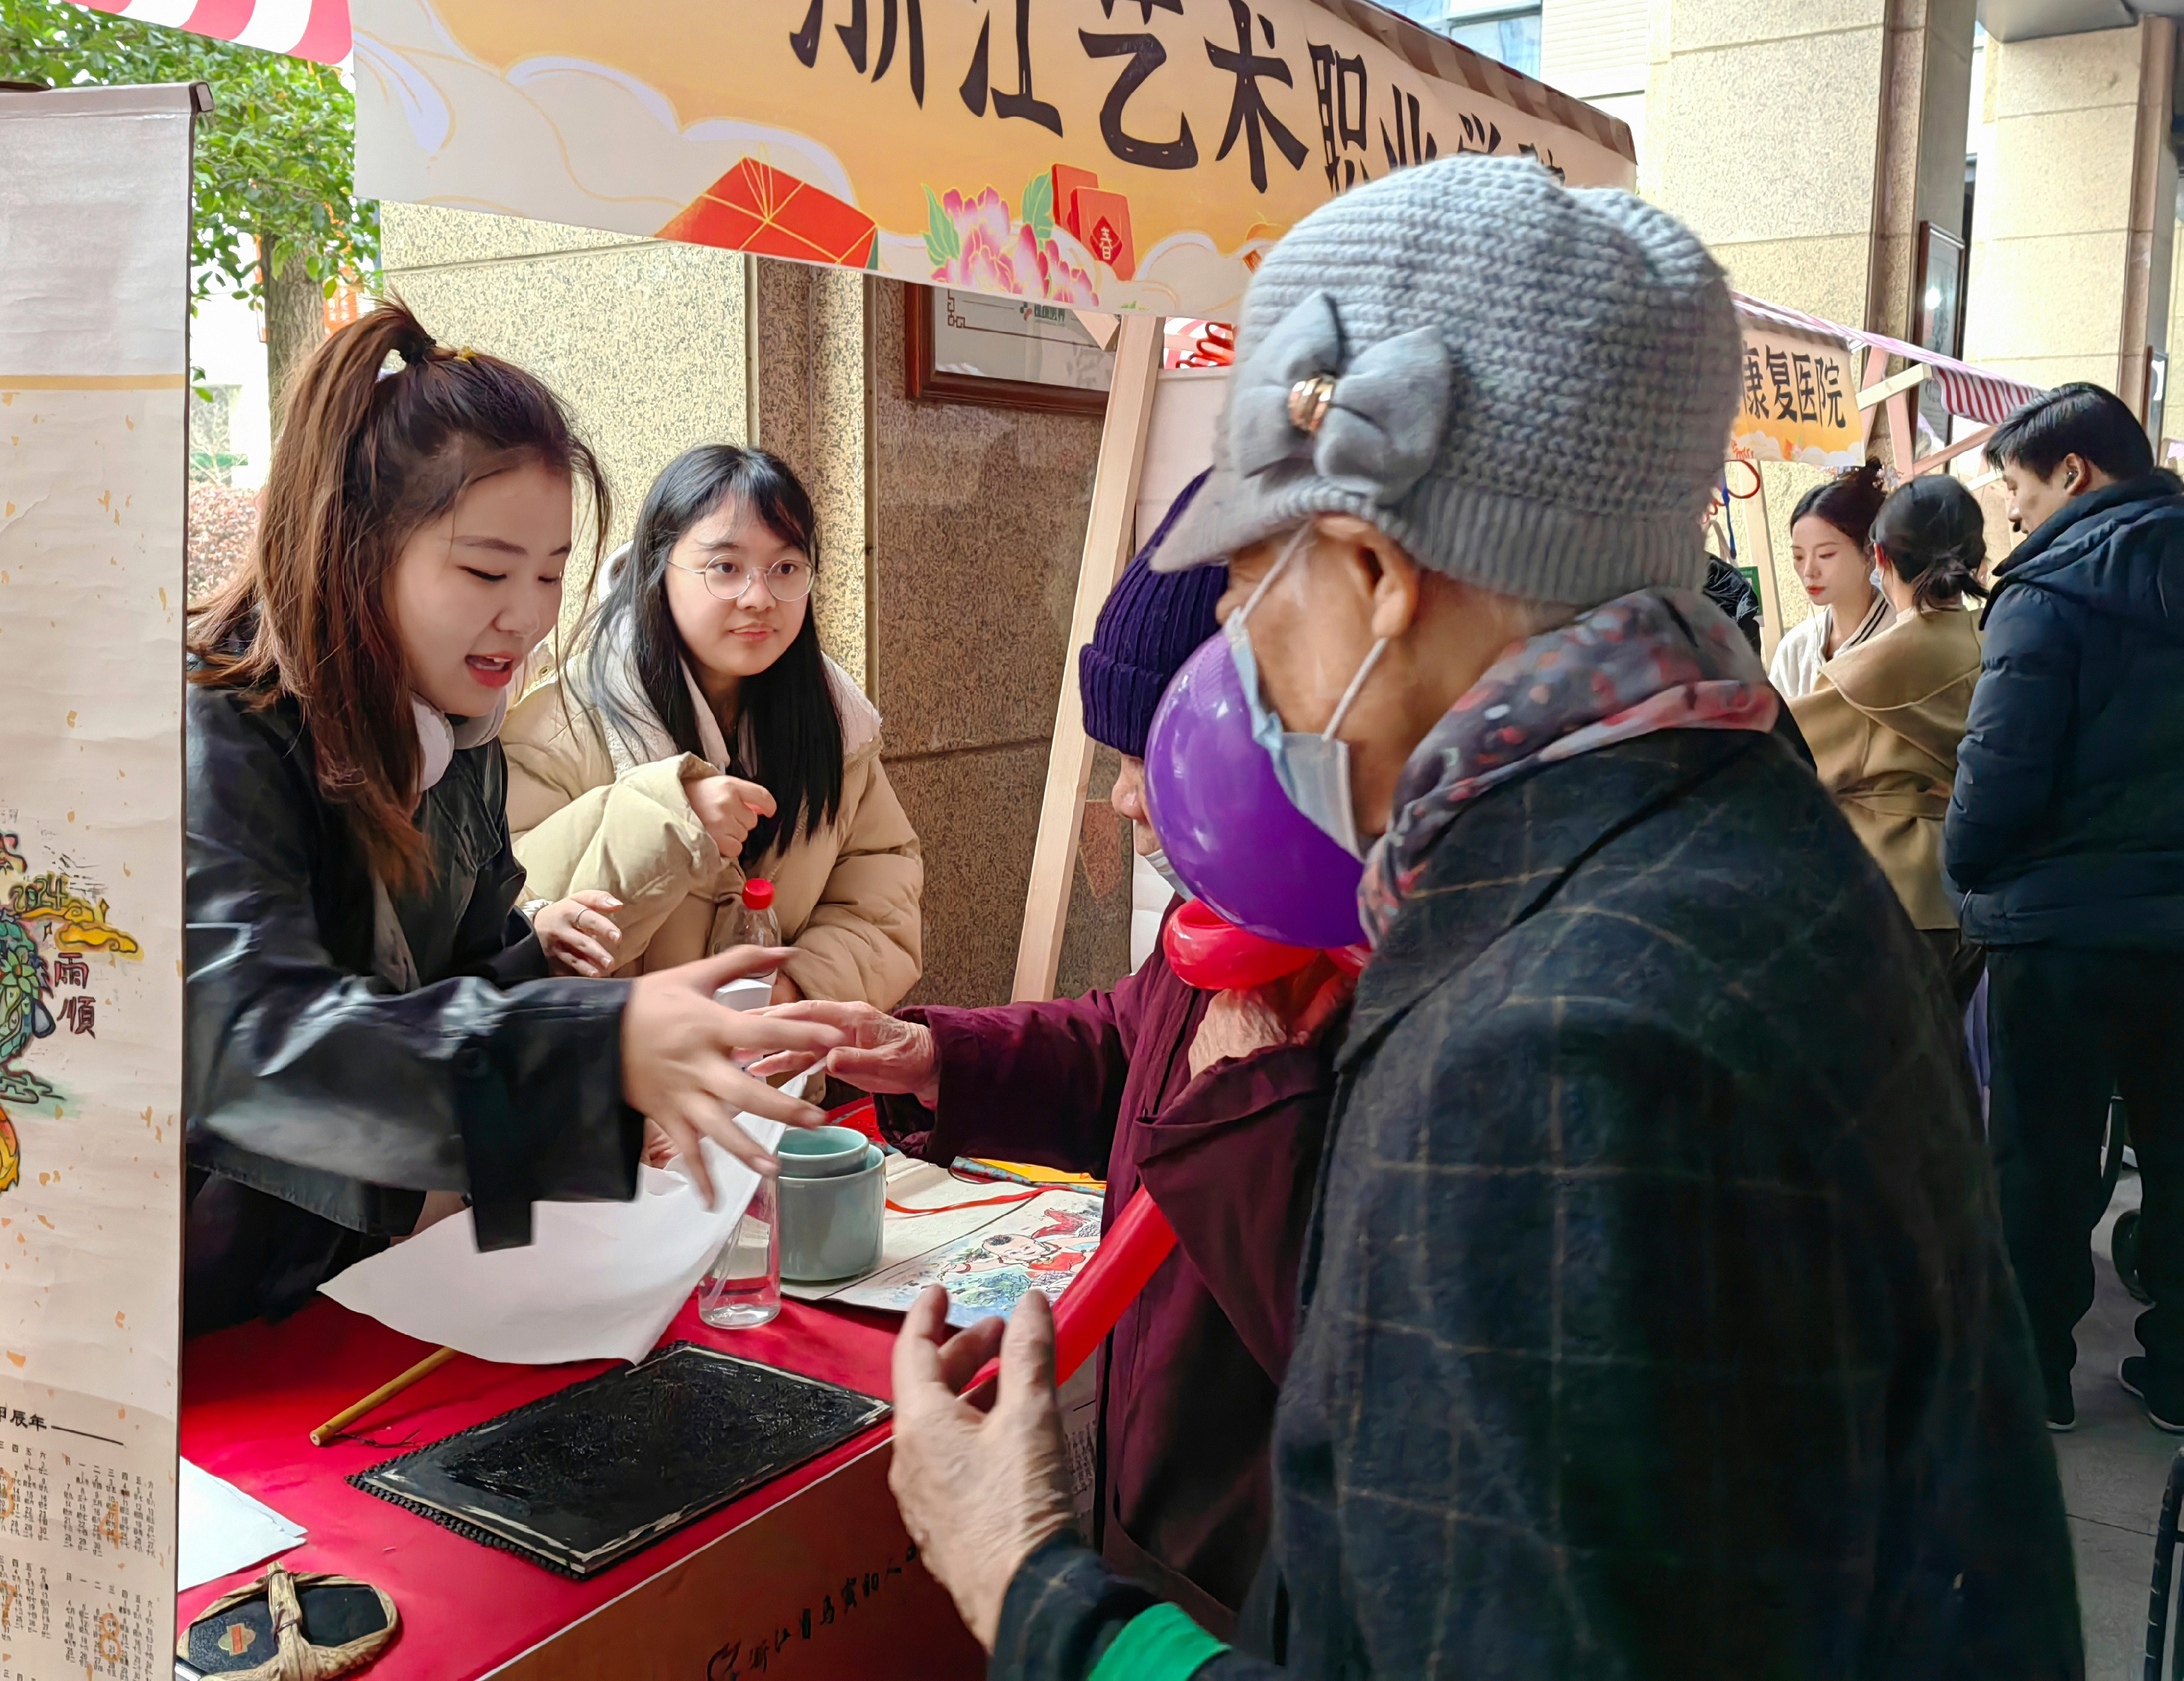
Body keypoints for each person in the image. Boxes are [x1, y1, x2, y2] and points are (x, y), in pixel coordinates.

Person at [884, 158, 2080, 1680]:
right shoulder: (1731, 838)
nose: (1232, 658)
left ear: (1373, 576)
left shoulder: (1556, 1053)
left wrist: (1030, 1587)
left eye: (1248, 583)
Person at [183, 303, 843, 1335]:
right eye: (487, 572)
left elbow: (459, 988)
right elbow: (253, 1049)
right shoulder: (219, 731)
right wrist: (596, 1052)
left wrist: (573, 1000)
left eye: (550, 573)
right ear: (356, 546)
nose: (529, 616)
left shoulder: (456, 729)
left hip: (368, 1278)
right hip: (210, 1307)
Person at [757, 476, 1344, 1633]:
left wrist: (1249, 1098)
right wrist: (937, 1056)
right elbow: (1126, 1044)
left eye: (1153, 760)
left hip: (1260, 1572)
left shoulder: (1361, 967)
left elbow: (1344, 1330)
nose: (1126, 802)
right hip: (1152, 1509)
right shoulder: (1229, 916)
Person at [1944, 381, 2184, 1432]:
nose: (2013, 511)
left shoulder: (2049, 590)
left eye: (2019, 486)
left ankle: (2033, 1373)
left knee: (2040, 1160)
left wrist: (1968, 873)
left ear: (2074, 471)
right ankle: (2177, 1377)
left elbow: (1999, 771)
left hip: (2061, 932)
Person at [503, 444, 921, 1010]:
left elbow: (881, 890)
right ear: (658, 567)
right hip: (625, 1063)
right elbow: (514, 925)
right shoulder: (559, 728)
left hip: (776, 1057)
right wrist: (670, 818)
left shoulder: (835, 719)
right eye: (725, 568)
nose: (760, 598)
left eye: (786, 568)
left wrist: (797, 987)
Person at [1791, 473, 1988, 1005]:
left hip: (1896, 897)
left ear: (1878, 558)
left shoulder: (1865, 673)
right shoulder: (1996, 639)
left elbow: (1785, 766)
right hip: (1975, 891)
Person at [1766, 464, 1892, 700]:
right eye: (1798, 557)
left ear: (1869, 552)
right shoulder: (1794, 649)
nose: (1808, 571)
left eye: (1825, 555)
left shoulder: (1900, 635)